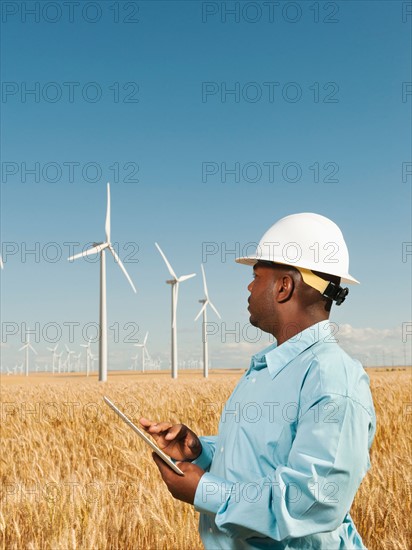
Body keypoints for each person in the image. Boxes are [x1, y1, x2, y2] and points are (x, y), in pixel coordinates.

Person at [140, 213, 376, 549]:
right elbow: (261, 459)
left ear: (284, 286)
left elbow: (312, 502)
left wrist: (203, 491)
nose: (249, 287)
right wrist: (200, 452)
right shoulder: (268, 368)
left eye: (255, 276)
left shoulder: (333, 379)